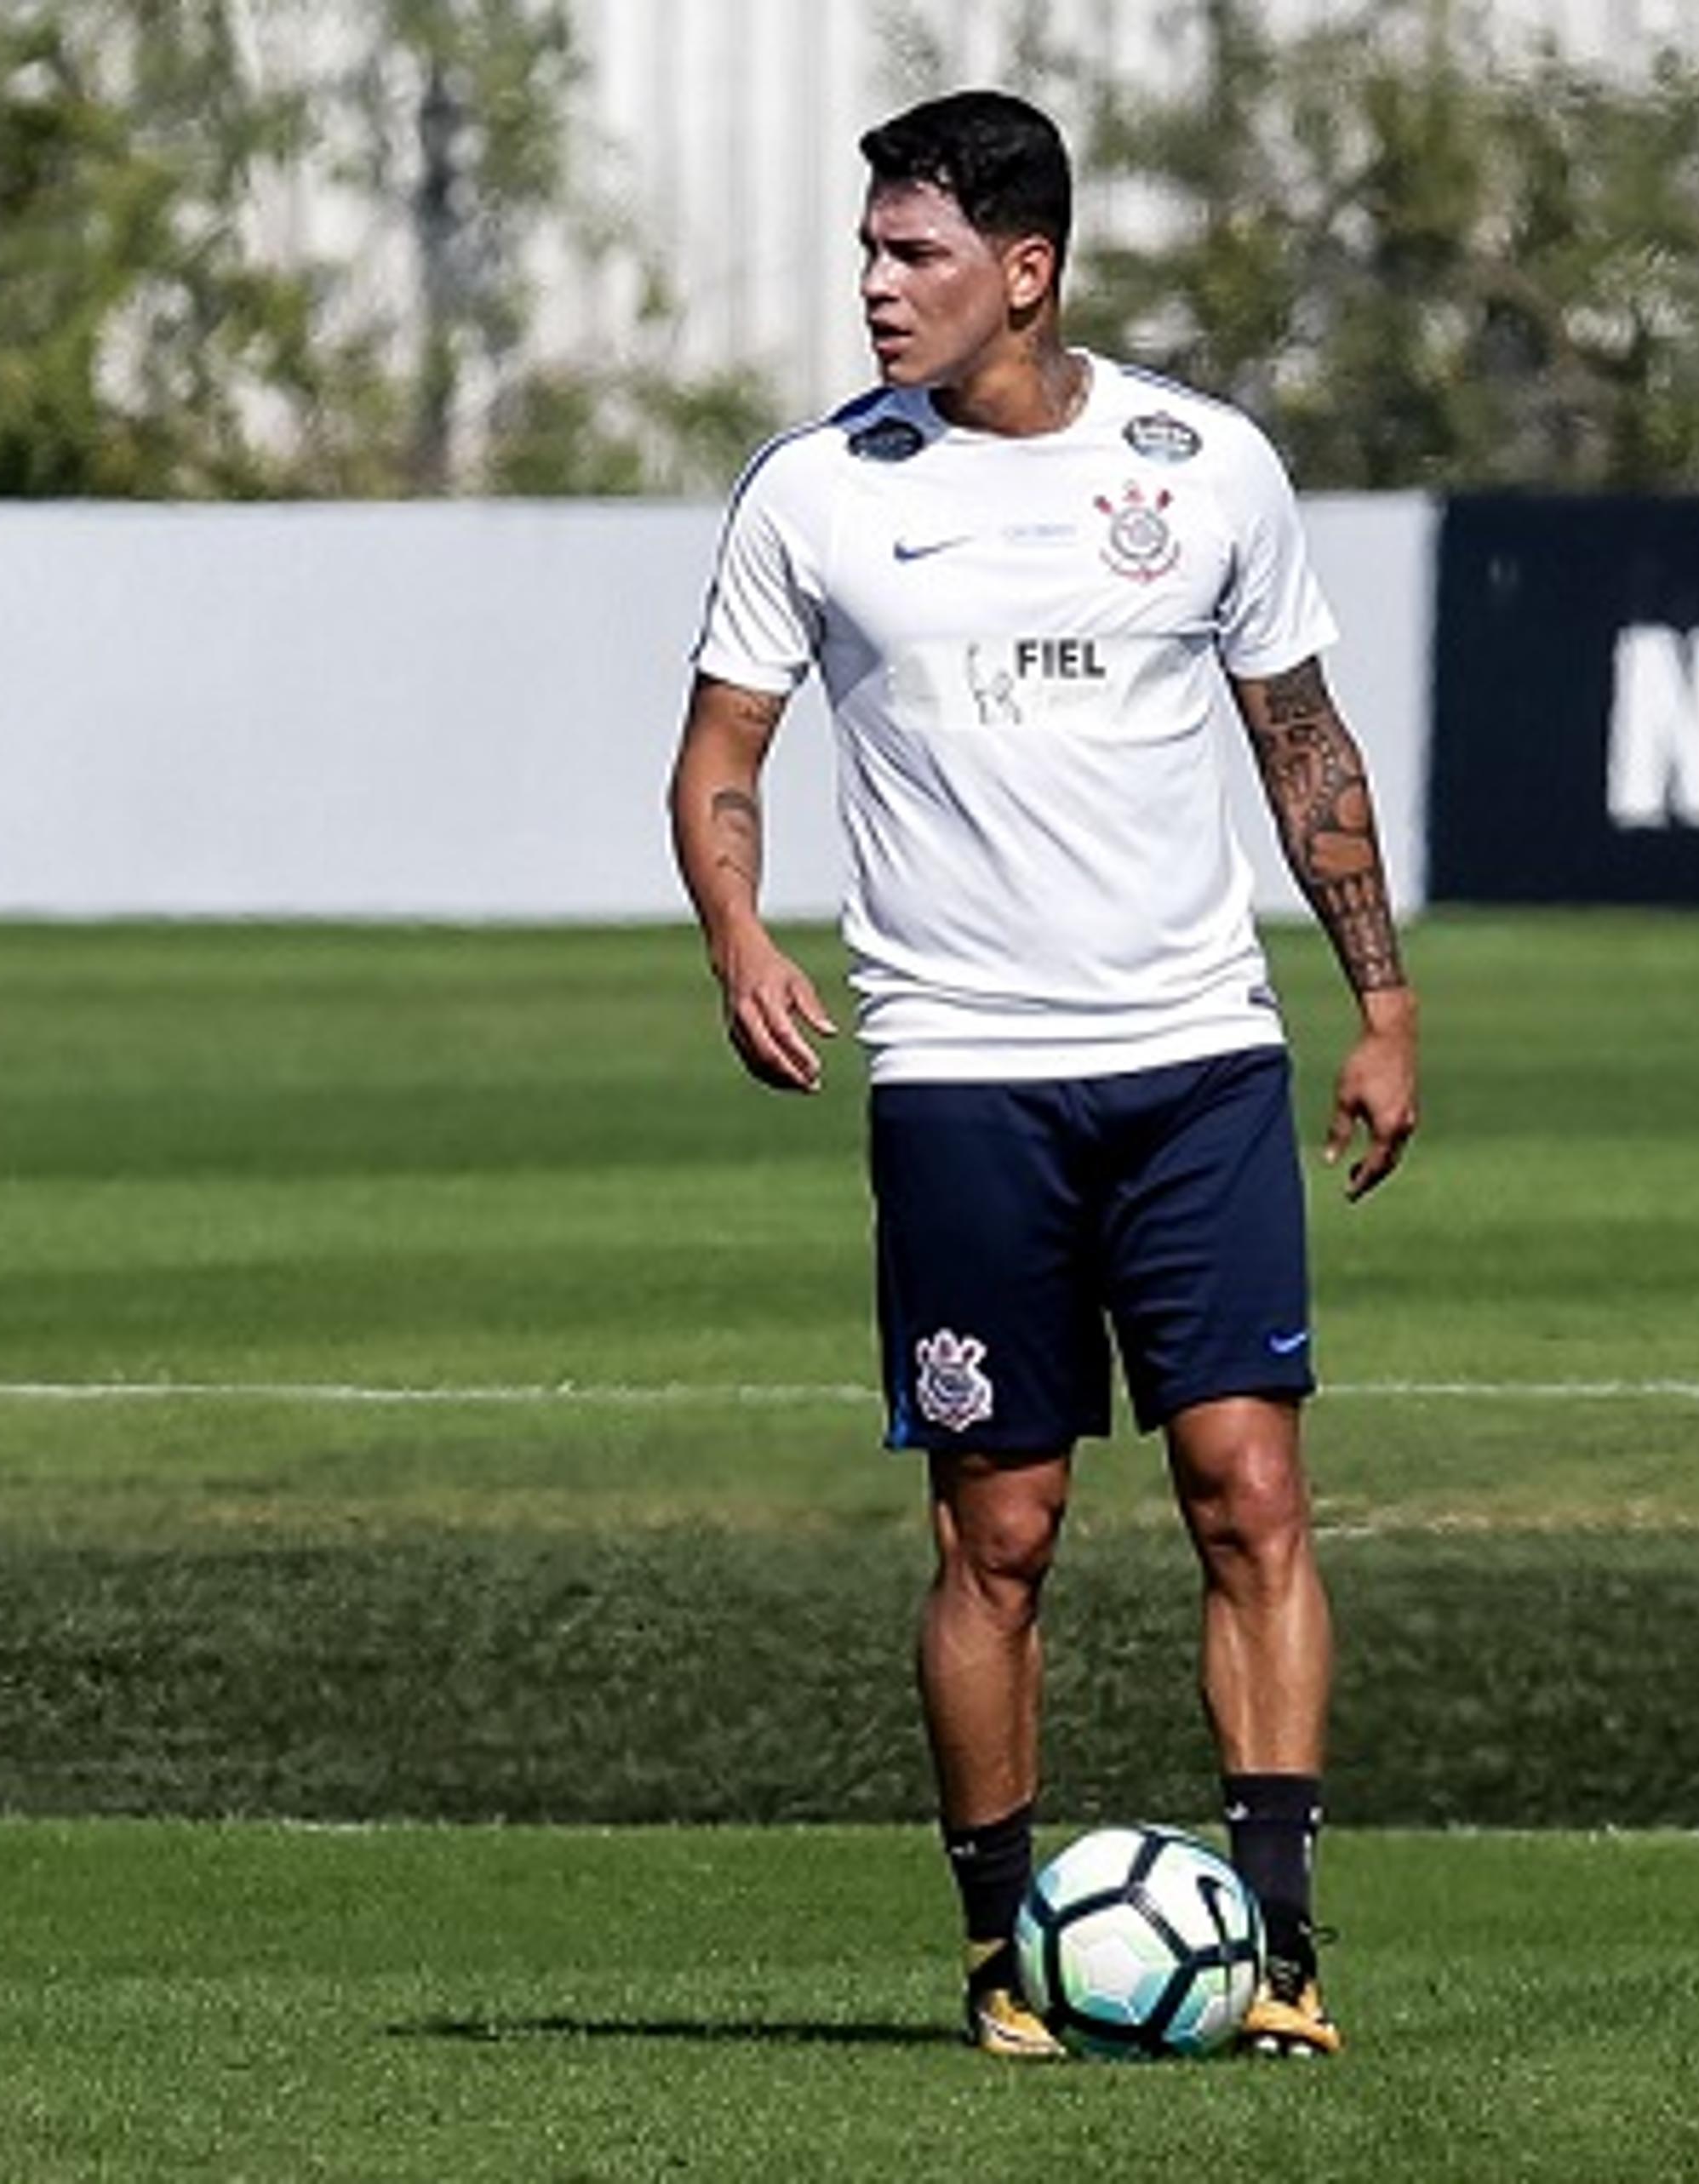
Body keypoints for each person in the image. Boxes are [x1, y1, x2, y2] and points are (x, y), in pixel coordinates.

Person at [666, 89, 1418, 2061]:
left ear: (1027, 269)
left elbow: (1308, 747)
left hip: (1197, 1064)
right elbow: (721, 760)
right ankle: (1004, 1949)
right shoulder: (817, 493)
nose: (874, 290)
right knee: (997, 1533)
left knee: (1250, 1491)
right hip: (963, 1077)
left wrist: (1386, 1004)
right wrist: (739, 937)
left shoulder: (1208, 467)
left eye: (912, 255)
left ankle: (1282, 1941)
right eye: (868, 253)